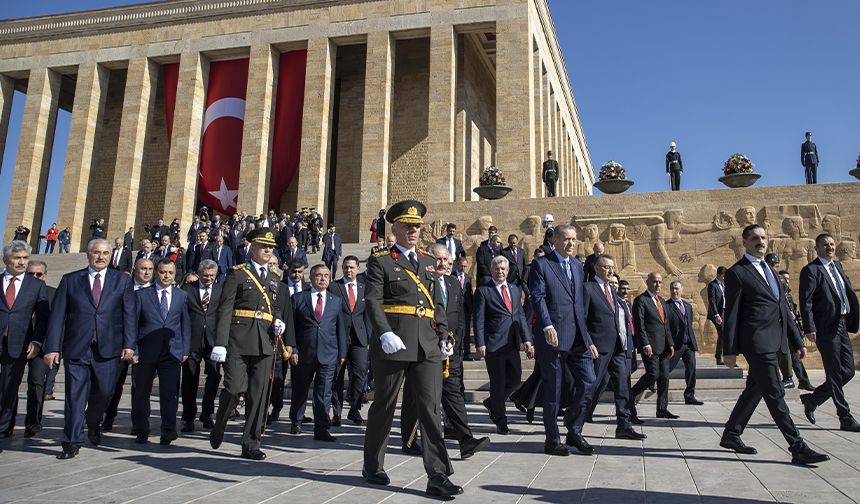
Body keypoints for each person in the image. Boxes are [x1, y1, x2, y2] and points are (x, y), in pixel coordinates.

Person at [362, 200, 462, 498]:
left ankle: (438, 475)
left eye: (417, 226)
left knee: (431, 410)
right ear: (395, 229)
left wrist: (444, 336)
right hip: (395, 343)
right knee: (384, 405)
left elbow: (436, 306)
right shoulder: (381, 261)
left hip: (427, 346)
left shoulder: (428, 263)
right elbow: (372, 300)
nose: (413, 230)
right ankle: (373, 465)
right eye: (407, 226)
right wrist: (384, 333)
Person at [720, 224, 829, 465]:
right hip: (757, 344)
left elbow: (783, 309)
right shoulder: (737, 273)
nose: (761, 242)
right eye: (755, 238)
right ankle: (797, 446)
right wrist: (728, 350)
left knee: (755, 390)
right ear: (745, 242)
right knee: (775, 392)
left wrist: (796, 340)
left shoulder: (770, 270)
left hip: (777, 341)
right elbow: (731, 314)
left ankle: (731, 433)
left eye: (763, 237)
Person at [43, 239, 136, 459]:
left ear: (110, 255)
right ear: (88, 254)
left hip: (109, 348)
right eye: (96, 253)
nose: (101, 257)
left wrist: (130, 344)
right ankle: (71, 441)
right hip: (77, 348)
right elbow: (57, 317)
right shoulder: (70, 280)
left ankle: (93, 422)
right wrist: (52, 347)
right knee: (74, 395)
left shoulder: (121, 281)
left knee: (104, 392)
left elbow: (129, 315)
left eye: (105, 253)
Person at [208, 228, 295, 460]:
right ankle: (220, 423)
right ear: (252, 247)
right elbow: (225, 308)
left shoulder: (275, 278)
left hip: (265, 342)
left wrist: (278, 321)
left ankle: (251, 442)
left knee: (260, 395)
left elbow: (274, 307)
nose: (268, 250)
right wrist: (220, 343)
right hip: (237, 339)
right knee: (234, 388)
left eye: (271, 247)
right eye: (263, 246)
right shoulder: (237, 274)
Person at [401, 244, 491, 459]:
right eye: (438, 259)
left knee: (453, 394)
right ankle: (410, 439)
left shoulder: (453, 283)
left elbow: (459, 316)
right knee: (416, 396)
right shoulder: (420, 282)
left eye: (446, 261)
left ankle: (465, 440)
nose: (442, 264)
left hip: (449, 351)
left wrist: (457, 345)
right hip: (424, 348)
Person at [528, 224, 598, 456]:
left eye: (574, 239)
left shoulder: (578, 266)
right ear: (555, 241)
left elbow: (579, 305)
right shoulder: (541, 264)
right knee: (553, 390)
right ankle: (552, 439)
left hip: (577, 337)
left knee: (589, 381)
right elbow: (537, 297)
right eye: (566, 239)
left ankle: (574, 430)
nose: (571, 243)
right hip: (553, 337)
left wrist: (587, 338)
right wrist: (546, 324)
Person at [799, 233, 860, 432]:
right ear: (817, 248)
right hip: (826, 328)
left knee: (848, 370)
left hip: (842, 324)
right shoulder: (811, 270)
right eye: (825, 245)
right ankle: (845, 417)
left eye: (832, 244)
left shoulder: (838, 267)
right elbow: (806, 301)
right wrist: (809, 328)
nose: (830, 248)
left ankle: (812, 399)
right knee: (834, 372)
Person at [581, 254, 643, 439]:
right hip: (599, 347)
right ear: (597, 268)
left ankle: (623, 425)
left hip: (618, 347)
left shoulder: (613, 293)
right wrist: (589, 342)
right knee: (591, 386)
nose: (611, 270)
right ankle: (575, 420)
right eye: (607, 267)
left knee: (623, 386)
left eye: (612, 267)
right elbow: (581, 319)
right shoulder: (589, 289)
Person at [129, 259, 190, 445]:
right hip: (145, 353)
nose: (166, 276)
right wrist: (133, 349)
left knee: (170, 394)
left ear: (175, 275)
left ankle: (168, 430)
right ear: (156, 272)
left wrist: (185, 349)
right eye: (163, 272)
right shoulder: (142, 295)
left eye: (170, 273)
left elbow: (184, 324)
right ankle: (141, 428)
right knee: (141, 393)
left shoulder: (181, 296)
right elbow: (133, 324)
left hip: (171, 352)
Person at [474, 255, 533, 434]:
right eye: (497, 269)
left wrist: (527, 339)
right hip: (493, 345)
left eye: (503, 269)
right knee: (498, 384)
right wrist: (480, 342)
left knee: (515, 380)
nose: (500, 272)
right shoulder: (484, 291)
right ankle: (501, 420)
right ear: (491, 270)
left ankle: (493, 402)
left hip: (512, 343)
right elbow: (479, 318)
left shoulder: (515, 289)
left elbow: (520, 316)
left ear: (508, 271)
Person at [288, 264, 346, 441]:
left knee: (324, 392)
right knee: (300, 389)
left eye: (326, 276)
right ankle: (296, 421)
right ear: (311, 278)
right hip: (304, 353)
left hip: (328, 354)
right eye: (319, 276)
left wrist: (342, 352)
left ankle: (321, 427)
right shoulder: (298, 298)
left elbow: (340, 328)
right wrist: (293, 349)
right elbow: (292, 327)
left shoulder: (335, 300)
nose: (323, 279)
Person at [0, 241, 50, 441]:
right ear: (6, 260)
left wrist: (37, 341)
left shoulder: (36, 285)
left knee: (8, 388)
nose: (21, 262)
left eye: (24, 258)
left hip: (19, 343)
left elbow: (43, 317)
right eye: (17, 258)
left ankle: (3, 429)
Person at [101, 258, 153, 433]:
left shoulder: (156, 292)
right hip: (120, 344)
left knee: (140, 387)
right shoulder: (122, 288)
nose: (146, 272)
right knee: (113, 384)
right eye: (142, 269)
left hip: (144, 347)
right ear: (134, 270)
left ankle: (138, 423)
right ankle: (108, 416)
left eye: (149, 269)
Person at [180, 259, 222, 432]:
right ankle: (188, 416)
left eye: (212, 276)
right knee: (190, 379)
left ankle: (207, 413)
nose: (208, 279)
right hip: (192, 339)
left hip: (213, 340)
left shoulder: (221, 290)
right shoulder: (187, 289)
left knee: (213, 378)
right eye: (205, 276)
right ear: (198, 274)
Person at [328, 256, 370, 426]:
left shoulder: (364, 288)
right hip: (339, 339)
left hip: (359, 338)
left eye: (352, 267)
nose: (349, 270)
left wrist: (368, 336)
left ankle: (354, 408)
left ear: (358, 268)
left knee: (360, 373)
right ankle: (336, 412)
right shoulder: (334, 287)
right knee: (337, 376)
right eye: (346, 267)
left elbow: (368, 315)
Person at [630, 272, 676, 419]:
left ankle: (662, 409)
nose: (658, 285)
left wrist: (671, 343)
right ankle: (630, 396)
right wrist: (644, 344)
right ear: (648, 282)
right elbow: (639, 325)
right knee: (653, 374)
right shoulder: (641, 300)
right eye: (655, 282)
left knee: (664, 378)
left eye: (660, 282)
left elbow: (665, 325)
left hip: (664, 346)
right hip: (649, 346)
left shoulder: (662, 301)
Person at [667, 280, 703, 405]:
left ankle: (689, 396)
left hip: (689, 343)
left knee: (691, 369)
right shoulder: (667, 306)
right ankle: (652, 383)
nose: (674, 291)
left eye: (677, 288)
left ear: (682, 290)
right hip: (676, 344)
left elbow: (688, 323)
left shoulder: (688, 306)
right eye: (672, 289)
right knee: (666, 369)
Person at [777, 270, 814, 391]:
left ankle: (803, 380)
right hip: (781, 329)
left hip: (791, 329)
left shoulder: (788, 294)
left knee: (794, 356)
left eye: (788, 279)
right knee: (786, 354)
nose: (787, 281)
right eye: (784, 279)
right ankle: (788, 378)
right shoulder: (778, 292)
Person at [453, 256, 475, 360]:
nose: (463, 268)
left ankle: (467, 353)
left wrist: (472, 308)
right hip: (455, 308)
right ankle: (456, 353)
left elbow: (470, 293)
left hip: (465, 308)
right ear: (457, 264)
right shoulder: (452, 276)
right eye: (461, 266)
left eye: (465, 266)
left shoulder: (468, 277)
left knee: (466, 332)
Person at [708, 266, 727, 366]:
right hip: (718, 313)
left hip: (726, 312)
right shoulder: (713, 285)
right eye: (724, 276)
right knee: (722, 333)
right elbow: (712, 301)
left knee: (727, 335)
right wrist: (716, 315)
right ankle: (718, 357)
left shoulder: (725, 285)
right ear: (719, 275)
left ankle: (728, 358)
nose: (725, 278)